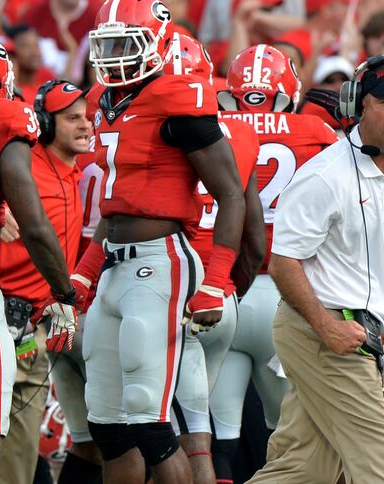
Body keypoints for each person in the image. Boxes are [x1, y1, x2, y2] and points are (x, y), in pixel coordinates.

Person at [247, 55, 384, 484]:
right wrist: (326, 326)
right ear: (357, 107)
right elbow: (283, 262)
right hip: (323, 332)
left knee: (304, 469)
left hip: (355, 334)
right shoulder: (326, 175)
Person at [74, 1, 246, 482]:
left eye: (126, 44)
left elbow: (231, 195)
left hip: (161, 265)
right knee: (106, 425)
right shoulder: (107, 101)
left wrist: (215, 282)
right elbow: (117, 206)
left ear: (160, 43)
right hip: (113, 264)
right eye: (106, 45)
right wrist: (83, 272)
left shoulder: (177, 96)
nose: (113, 57)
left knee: (149, 421)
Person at [211, 43, 339, 483]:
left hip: (223, 291)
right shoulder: (315, 131)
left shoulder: (213, 127)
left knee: (218, 435)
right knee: (288, 436)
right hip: (286, 294)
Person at [163, 33, 266, 484]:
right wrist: (228, 289)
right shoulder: (241, 132)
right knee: (213, 428)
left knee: (165, 431)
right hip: (226, 296)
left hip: (171, 286)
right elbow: (256, 240)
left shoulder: (149, 124)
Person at [0, 40, 78, 482]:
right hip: (11, 310)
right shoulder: (12, 128)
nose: (85, 125)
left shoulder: (81, 169)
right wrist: (66, 295)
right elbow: (37, 229)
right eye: (72, 117)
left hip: (29, 321)